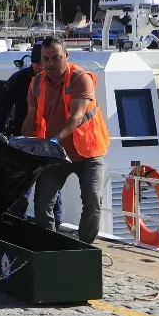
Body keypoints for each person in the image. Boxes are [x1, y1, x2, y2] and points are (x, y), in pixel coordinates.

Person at [22, 37, 111, 243]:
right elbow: (30, 118)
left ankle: (84, 246)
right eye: (46, 59)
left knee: (92, 202)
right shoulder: (35, 83)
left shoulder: (81, 79)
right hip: (56, 153)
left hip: (88, 151)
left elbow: (76, 117)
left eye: (56, 58)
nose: (51, 63)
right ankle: (49, 246)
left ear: (66, 56)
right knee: (43, 203)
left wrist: (52, 141)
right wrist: (25, 145)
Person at [0, 49, 62, 224]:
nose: (41, 66)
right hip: (24, 138)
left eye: (44, 63)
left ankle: (57, 224)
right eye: (38, 63)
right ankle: (17, 223)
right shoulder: (18, 80)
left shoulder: (56, 78)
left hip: (49, 140)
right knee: (22, 186)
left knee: (51, 185)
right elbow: (1, 109)